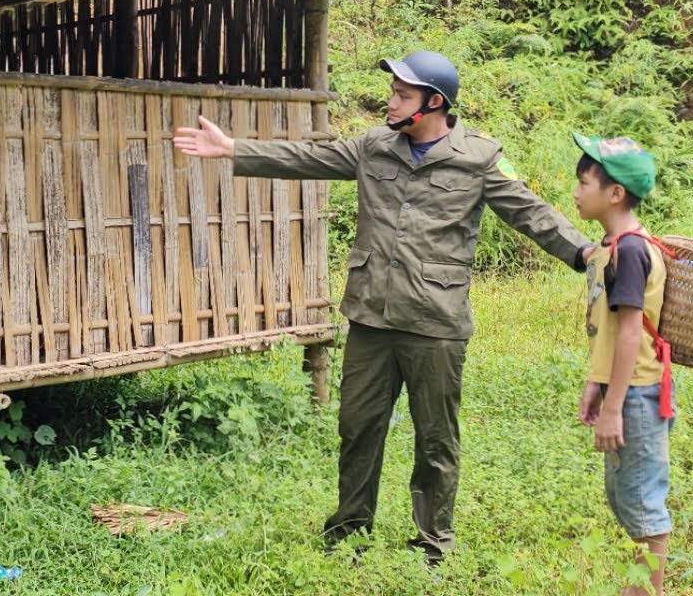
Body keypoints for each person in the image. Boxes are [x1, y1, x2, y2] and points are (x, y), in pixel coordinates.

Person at [173, 50, 593, 565]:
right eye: (392, 91)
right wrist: (233, 149)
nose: (390, 101)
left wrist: (585, 252)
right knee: (358, 428)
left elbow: (532, 213)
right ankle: (350, 529)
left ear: (434, 102)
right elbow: (307, 159)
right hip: (371, 317)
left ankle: (432, 543)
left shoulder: (478, 158)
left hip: (435, 323)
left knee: (435, 440)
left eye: (402, 94)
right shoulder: (374, 147)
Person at [571, 133, 672, 595]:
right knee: (625, 496)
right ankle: (638, 586)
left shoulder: (631, 250)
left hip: (637, 395)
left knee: (642, 501)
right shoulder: (611, 246)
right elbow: (608, 333)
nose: (575, 191)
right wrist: (596, 382)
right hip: (622, 390)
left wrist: (614, 407)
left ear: (614, 193)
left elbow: (631, 331)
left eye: (583, 182)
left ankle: (646, 591)